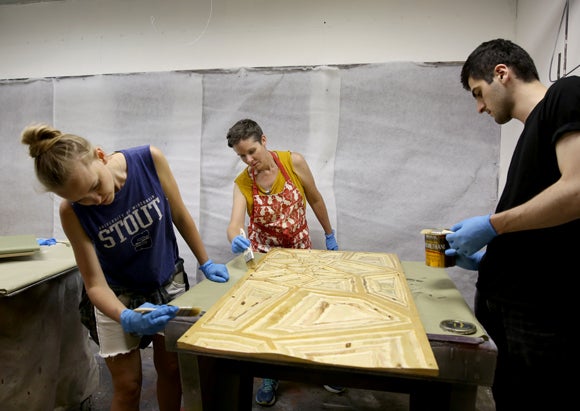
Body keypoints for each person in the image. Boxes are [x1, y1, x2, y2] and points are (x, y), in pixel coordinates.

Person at [21, 124, 229, 411]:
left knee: (171, 369)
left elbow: (180, 214)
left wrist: (205, 261)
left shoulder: (149, 160)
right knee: (128, 386)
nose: (95, 200)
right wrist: (126, 317)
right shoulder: (71, 213)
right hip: (115, 295)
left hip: (167, 282)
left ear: (100, 155)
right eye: (81, 198)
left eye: (94, 186)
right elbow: (94, 283)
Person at [445, 39, 579, 411]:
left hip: (541, 314)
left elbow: (577, 190)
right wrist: (490, 257)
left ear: (501, 73)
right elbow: (543, 226)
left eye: (478, 93)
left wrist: (492, 224)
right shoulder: (531, 130)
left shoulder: (566, 94)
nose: (479, 107)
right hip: (510, 305)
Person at [225, 118, 344, 406]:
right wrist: (236, 238)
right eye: (241, 156)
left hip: (300, 252)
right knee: (270, 317)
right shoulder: (243, 183)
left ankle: (321, 367)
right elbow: (234, 224)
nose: (248, 160)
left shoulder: (293, 162)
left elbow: (314, 198)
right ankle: (269, 374)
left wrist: (329, 234)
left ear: (264, 140)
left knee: (311, 312)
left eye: (252, 151)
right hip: (266, 259)